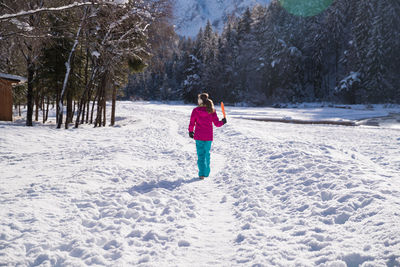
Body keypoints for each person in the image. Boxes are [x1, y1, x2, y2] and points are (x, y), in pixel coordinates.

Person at [188, 93, 227, 179]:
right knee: (206, 154)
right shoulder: (211, 110)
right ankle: (206, 172)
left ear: (200, 101)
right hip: (208, 137)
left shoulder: (195, 110)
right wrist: (223, 122)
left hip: (199, 136)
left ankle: (202, 174)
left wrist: (190, 131)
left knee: (201, 155)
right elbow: (217, 124)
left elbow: (192, 122)